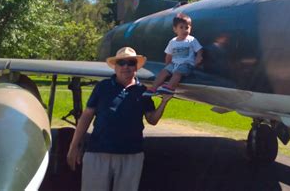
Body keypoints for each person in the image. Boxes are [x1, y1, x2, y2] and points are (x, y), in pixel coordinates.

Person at [66, 47, 169, 191]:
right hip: (98, 151)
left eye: (130, 62)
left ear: (136, 67)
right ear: (115, 67)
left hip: (131, 155)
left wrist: (164, 102)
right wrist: (74, 145)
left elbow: (152, 119)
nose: (126, 66)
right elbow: (86, 116)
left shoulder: (143, 91)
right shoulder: (102, 87)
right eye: (121, 63)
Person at [147, 12, 203, 95]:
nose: (185, 30)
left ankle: (170, 87)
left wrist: (199, 56)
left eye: (187, 27)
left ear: (190, 28)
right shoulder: (172, 41)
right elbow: (168, 55)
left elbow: (199, 49)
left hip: (186, 64)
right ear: (175, 29)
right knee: (163, 72)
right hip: (174, 64)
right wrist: (167, 66)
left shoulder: (192, 40)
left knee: (177, 73)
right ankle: (153, 88)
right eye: (181, 27)